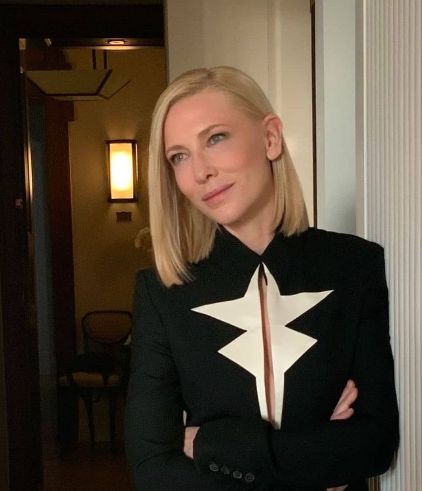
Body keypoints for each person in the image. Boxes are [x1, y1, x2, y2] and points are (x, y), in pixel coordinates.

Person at [125, 66, 399, 490]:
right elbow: (153, 470)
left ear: (270, 138)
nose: (200, 172)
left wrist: (214, 446)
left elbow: (374, 445)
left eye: (216, 138)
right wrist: (313, 464)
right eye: (179, 156)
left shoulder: (354, 265)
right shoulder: (162, 292)